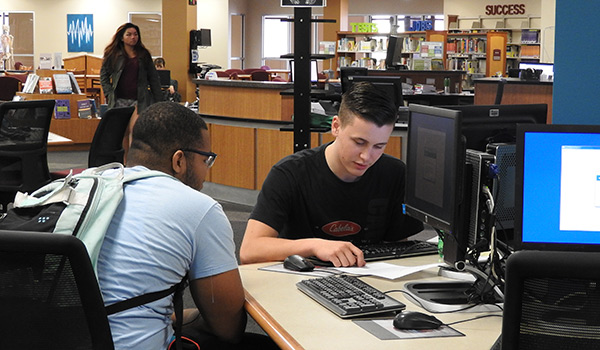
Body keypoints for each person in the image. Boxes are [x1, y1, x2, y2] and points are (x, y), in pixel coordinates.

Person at [96, 102, 268, 350]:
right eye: (206, 159)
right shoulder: (199, 208)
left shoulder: (86, 187)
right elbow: (227, 328)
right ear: (179, 161)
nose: (206, 170)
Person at [240, 81, 423, 267]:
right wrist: (314, 246)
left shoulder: (395, 173)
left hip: (370, 282)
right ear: (336, 126)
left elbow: (400, 248)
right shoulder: (289, 174)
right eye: (359, 142)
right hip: (300, 282)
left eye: (379, 146)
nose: (366, 156)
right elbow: (250, 250)